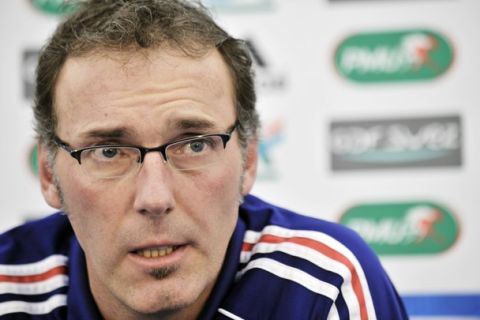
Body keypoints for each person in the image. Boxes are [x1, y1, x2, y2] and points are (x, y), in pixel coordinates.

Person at [0, 1, 409, 319]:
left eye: (194, 144)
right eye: (108, 152)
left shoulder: (324, 285)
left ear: (248, 161)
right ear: (50, 175)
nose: (155, 197)